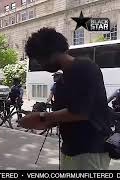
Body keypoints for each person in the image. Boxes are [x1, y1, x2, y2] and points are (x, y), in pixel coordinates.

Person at [19, 27, 111, 170]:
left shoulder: (84, 68)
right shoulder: (63, 79)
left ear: (50, 53)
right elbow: (63, 116)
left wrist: (42, 117)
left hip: (89, 151)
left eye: (39, 60)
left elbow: (79, 112)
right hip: (70, 149)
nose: (41, 65)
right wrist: (38, 122)